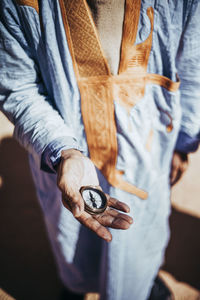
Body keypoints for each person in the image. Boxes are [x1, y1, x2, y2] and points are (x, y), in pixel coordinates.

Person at [0, 0, 200, 299]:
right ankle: (76, 285)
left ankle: (139, 285)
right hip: (65, 162)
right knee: (73, 239)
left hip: (150, 149)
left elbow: (193, 66)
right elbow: (19, 87)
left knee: (138, 240)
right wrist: (64, 152)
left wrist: (183, 142)